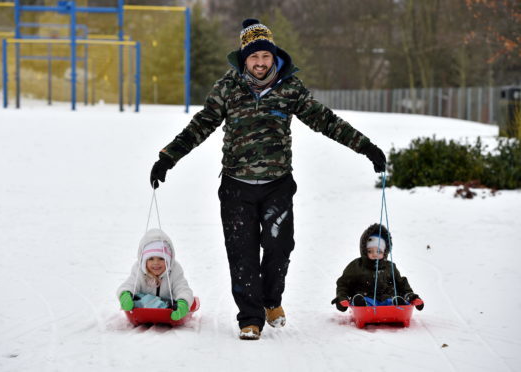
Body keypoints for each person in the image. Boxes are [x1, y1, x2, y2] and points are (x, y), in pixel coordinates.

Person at [149, 18, 387, 340]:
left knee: (279, 247)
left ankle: (271, 301)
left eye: (266, 57)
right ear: (244, 58)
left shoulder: (290, 88)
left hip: (277, 184)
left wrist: (367, 148)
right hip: (236, 186)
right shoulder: (228, 87)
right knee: (242, 254)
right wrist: (168, 158)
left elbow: (325, 120)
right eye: (254, 57)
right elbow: (200, 125)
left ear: (273, 57)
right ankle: (250, 317)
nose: (260, 63)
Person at [331, 223, 424, 311]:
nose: (375, 254)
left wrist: (410, 295)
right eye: (370, 251)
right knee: (362, 299)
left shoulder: (390, 267)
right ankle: (360, 304)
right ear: (364, 250)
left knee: (393, 299)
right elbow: (343, 284)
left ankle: (398, 304)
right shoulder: (357, 266)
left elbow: (401, 283)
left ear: (385, 251)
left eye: (379, 251)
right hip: (366, 300)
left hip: (387, 300)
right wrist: (342, 297)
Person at [117, 228, 194, 321]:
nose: (156, 263)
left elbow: (183, 288)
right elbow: (130, 284)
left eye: (161, 258)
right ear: (144, 261)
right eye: (151, 258)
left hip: (168, 310)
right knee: (137, 298)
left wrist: (184, 302)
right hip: (143, 309)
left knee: (180, 299)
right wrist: (125, 294)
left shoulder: (174, 270)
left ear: (168, 260)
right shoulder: (138, 271)